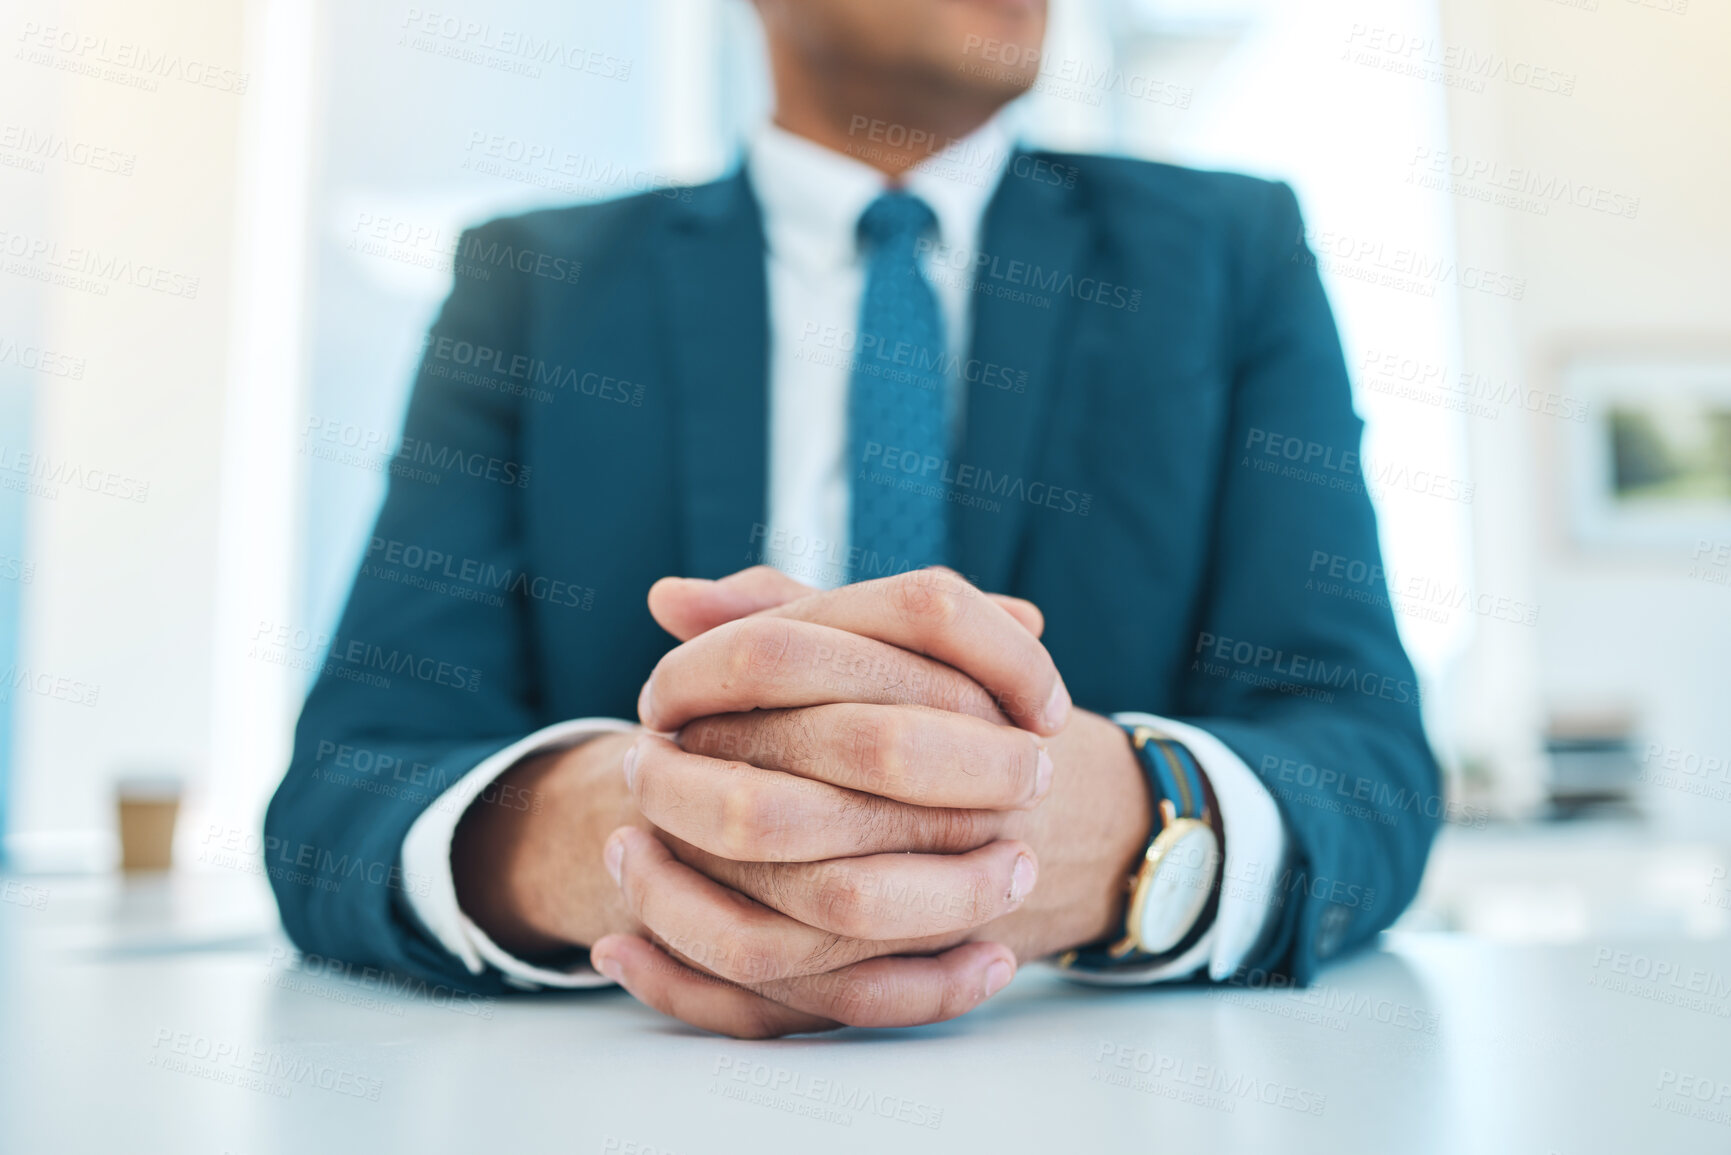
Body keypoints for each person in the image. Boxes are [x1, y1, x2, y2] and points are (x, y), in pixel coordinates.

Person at [265, 0, 1440, 1038]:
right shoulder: (534, 282)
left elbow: (1369, 763)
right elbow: (343, 789)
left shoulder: (1229, 257)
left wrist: (1130, 826)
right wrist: (618, 836)